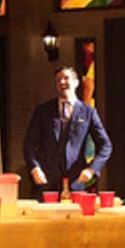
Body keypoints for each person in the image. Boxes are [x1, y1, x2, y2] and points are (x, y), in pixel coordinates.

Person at [23, 66, 112, 195]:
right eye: (58, 80)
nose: (62, 82)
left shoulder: (88, 113)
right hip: (46, 181)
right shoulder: (43, 111)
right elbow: (29, 144)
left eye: (66, 78)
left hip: (76, 182)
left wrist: (92, 170)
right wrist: (34, 167)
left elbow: (106, 145)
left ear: (76, 83)